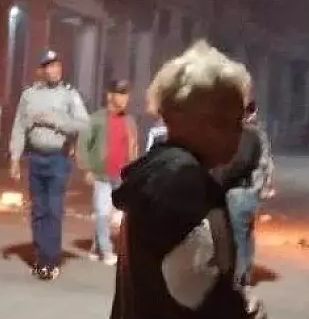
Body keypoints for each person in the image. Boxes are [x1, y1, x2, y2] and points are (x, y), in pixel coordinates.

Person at [109, 41, 265, 319]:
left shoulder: (164, 168)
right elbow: (194, 293)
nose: (236, 134)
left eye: (238, 121)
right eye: (224, 121)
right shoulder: (181, 180)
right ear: (181, 118)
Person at [8, 49, 90, 280]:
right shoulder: (29, 95)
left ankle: (49, 260)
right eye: (49, 66)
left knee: (53, 209)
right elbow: (19, 126)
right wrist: (15, 157)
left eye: (57, 66)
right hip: (35, 158)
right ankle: (40, 253)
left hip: (58, 159)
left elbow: (84, 124)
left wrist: (57, 121)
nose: (54, 70)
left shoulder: (69, 95)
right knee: (38, 210)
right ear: (41, 70)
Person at [213, 99, 274, 286]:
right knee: (247, 233)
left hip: (239, 191)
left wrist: (219, 180)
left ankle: (237, 277)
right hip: (252, 192)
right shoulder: (259, 134)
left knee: (237, 236)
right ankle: (245, 272)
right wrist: (264, 188)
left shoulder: (244, 134)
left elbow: (237, 164)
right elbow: (267, 164)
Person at [78, 79, 139, 265]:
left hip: (121, 175)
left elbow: (134, 147)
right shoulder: (97, 119)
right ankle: (106, 251)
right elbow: (83, 144)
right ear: (110, 96)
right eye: (120, 93)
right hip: (101, 174)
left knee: (111, 214)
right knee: (102, 212)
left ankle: (96, 248)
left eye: (126, 94)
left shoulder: (129, 121)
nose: (124, 98)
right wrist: (86, 168)